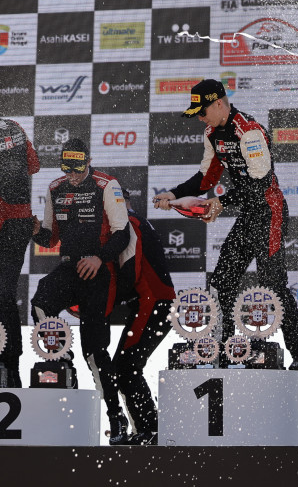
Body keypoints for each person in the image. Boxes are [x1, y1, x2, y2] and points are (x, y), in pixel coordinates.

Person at [154, 79, 298, 371]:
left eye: (202, 112)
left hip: (270, 212)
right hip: (248, 214)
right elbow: (206, 178)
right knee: (221, 281)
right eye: (197, 114)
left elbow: (260, 184)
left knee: (272, 284)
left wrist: (221, 202)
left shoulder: (248, 131)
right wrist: (174, 194)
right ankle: (221, 348)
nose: (200, 118)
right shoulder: (212, 133)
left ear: (219, 103)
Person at [31, 138, 133, 444]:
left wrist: (99, 258)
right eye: (68, 170)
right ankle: (63, 363)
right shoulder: (55, 188)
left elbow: (123, 233)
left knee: (96, 351)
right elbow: (50, 239)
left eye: (78, 169)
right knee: (40, 300)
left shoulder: (106, 184)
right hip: (69, 268)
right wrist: (36, 232)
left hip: (98, 271)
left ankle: (116, 418)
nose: (73, 176)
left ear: (88, 162)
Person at [112, 188, 176, 446]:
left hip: (153, 303)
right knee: (126, 367)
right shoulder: (136, 220)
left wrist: (110, 298)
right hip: (155, 303)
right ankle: (148, 429)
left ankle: (149, 430)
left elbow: (131, 269)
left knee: (124, 367)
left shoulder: (130, 222)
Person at [0, 118, 40, 387]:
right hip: (18, 222)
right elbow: (34, 165)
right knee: (5, 293)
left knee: (3, 294)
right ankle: (11, 366)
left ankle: (8, 364)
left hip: (11, 221)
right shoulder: (14, 125)